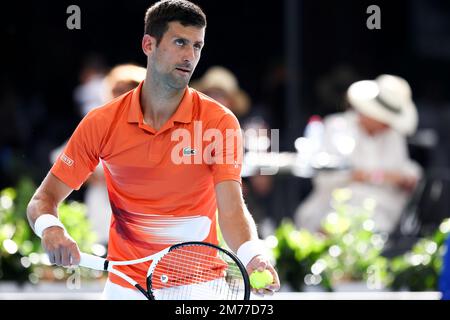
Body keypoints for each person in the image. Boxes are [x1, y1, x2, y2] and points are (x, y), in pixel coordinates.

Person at [26, 0, 279, 300]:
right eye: (180, 42)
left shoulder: (219, 122)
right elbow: (43, 199)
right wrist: (51, 228)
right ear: (149, 44)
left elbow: (231, 209)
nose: (189, 55)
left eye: (197, 46)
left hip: (199, 288)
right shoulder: (101, 122)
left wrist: (252, 254)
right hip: (125, 287)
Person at [295, 74, 422, 235]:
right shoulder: (336, 127)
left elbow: (405, 172)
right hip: (334, 215)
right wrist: (377, 176)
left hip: (385, 222)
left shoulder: (394, 136)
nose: (387, 125)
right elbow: (324, 177)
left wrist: (399, 179)